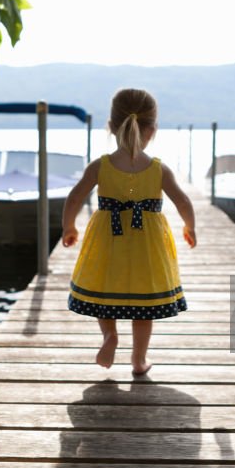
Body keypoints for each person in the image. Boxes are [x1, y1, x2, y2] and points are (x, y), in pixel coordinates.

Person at [61, 88, 197, 375]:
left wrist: (69, 226)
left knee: (104, 290)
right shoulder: (159, 169)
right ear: (153, 131)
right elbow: (183, 201)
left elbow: (74, 198)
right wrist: (190, 226)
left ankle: (110, 335)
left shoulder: (100, 166)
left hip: (108, 239)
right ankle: (138, 360)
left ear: (111, 127)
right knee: (143, 304)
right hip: (146, 245)